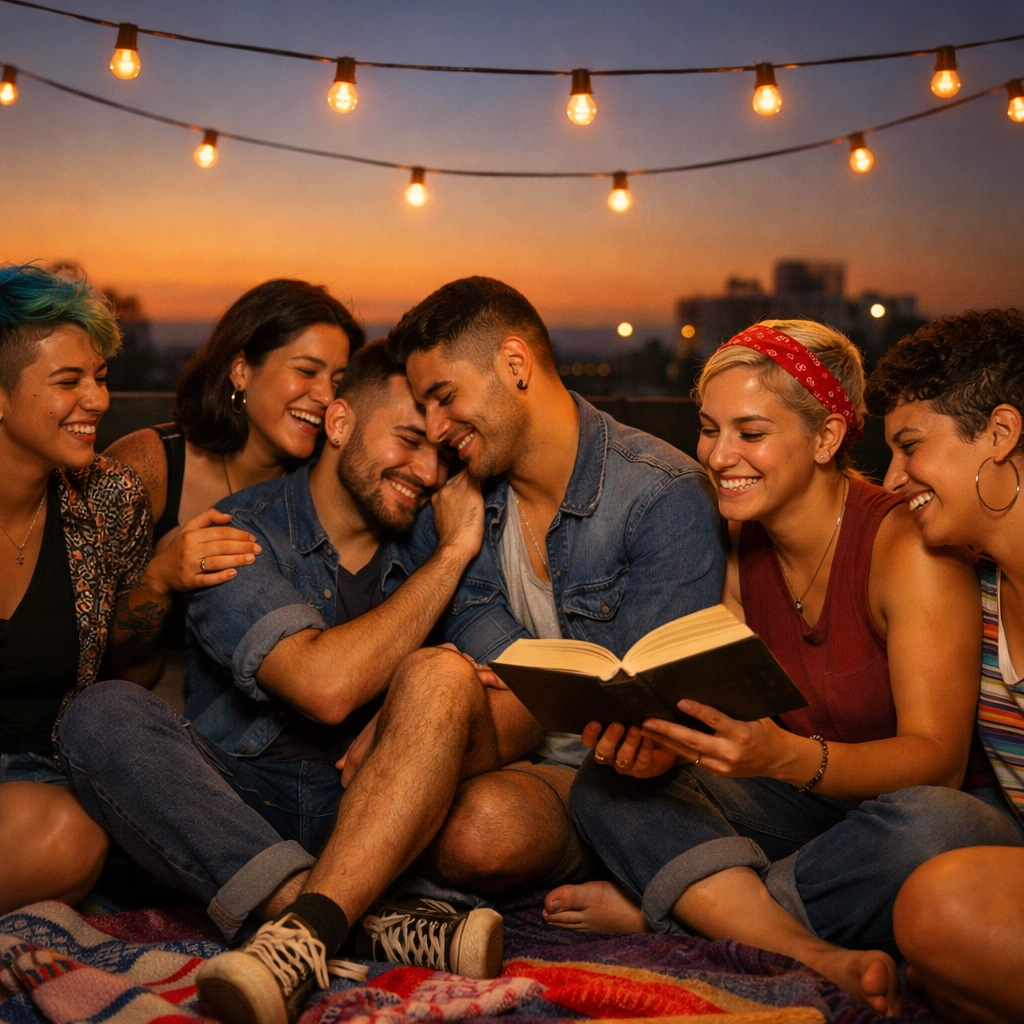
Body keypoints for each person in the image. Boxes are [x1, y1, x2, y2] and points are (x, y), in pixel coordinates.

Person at [540, 320, 1021, 1016]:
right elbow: (743, 716)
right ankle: (806, 947)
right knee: (605, 788)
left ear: (825, 439)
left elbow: (938, 764)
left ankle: (700, 914)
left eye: (750, 432)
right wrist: (668, 748)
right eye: (709, 428)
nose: (718, 454)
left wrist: (784, 757)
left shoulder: (908, 547)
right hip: (811, 808)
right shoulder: (736, 537)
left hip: (920, 819)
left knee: (934, 822)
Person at [58, 340, 515, 1024]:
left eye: (443, 456)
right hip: (237, 804)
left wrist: (425, 702)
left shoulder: (434, 536)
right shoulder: (242, 529)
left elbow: (525, 686)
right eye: (409, 441)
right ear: (338, 425)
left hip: (372, 809)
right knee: (99, 714)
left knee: (444, 679)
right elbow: (321, 685)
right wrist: (450, 559)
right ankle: (354, 918)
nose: (426, 472)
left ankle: (313, 919)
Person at [381, 275, 726, 894]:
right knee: (386, 775)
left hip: (620, 783)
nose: (434, 430)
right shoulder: (465, 495)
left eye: (443, 396)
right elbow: (466, 624)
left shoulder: (660, 494)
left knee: (479, 829)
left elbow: (640, 706)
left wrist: (523, 687)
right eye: (422, 408)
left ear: (515, 364)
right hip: (517, 751)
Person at [0, 263, 255, 915]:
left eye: (101, 378)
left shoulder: (108, 499)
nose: (97, 401)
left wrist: (156, 580)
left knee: (73, 840)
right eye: (68, 382)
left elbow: (127, 676)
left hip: (38, 784)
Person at [865, 309, 1024, 1024]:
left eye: (910, 446)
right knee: (936, 902)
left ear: (999, 434)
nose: (893, 477)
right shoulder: (979, 590)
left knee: (939, 906)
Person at [104, 279, 362, 681]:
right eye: (307, 370)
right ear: (241, 370)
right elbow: (86, 650)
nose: (326, 397)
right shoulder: (147, 465)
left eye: (338, 382)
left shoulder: (327, 484)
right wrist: (158, 580)